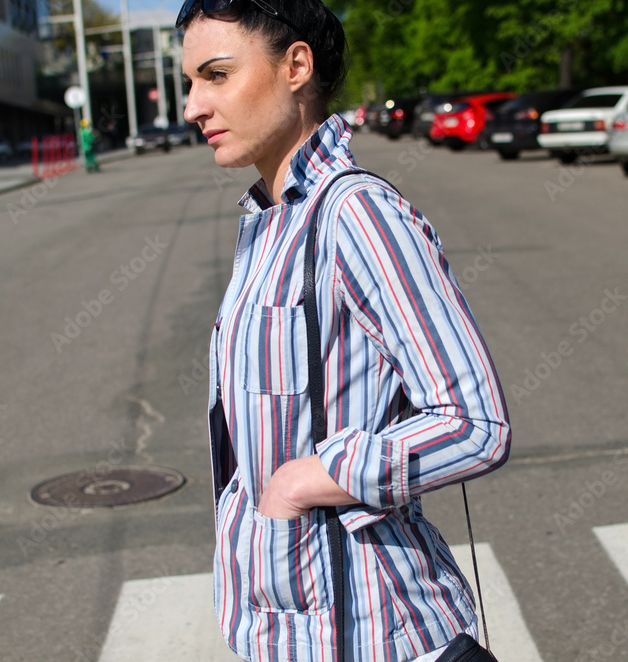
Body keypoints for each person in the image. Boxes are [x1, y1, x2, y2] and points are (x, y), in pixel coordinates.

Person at [180, 1, 511, 659]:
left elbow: (475, 425)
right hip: (290, 632)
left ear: (295, 66)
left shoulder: (358, 215)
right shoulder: (270, 225)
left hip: (375, 632)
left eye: (216, 75)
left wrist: (300, 482)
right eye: (191, 81)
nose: (193, 106)